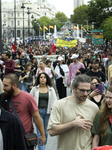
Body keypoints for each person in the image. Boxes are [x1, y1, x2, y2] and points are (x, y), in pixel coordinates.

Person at [48, 74, 99, 150]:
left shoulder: (94, 108)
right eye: (82, 90)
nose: (85, 94)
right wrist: (73, 124)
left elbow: (96, 134)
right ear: (73, 88)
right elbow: (52, 131)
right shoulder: (60, 105)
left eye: (88, 91)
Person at [0, 74, 46, 150]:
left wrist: (42, 134)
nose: (3, 88)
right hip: (8, 139)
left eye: (6, 85)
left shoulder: (28, 97)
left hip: (25, 139)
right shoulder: (2, 97)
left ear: (14, 86)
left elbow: (36, 117)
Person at [30, 72, 57, 150]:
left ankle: (42, 146)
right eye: (41, 77)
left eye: (44, 77)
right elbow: (30, 99)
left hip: (48, 112)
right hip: (37, 113)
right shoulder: (35, 89)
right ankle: (42, 148)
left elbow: (55, 101)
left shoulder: (51, 89)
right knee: (40, 133)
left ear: (46, 79)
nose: (42, 79)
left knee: (45, 133)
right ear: (38, 79)